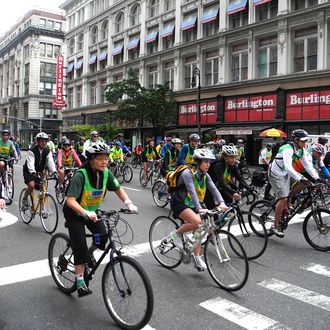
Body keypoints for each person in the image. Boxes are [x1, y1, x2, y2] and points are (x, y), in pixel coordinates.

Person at [63, 141, 138, 297]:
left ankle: (89, 254)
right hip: (74, 213)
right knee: (80, 247)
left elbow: (118, 188)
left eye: (107, 158)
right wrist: (85, 212)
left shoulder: (106, 174)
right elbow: (70, 201)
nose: (105, 161)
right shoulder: (80, 175)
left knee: (103, 237)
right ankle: (80, 281)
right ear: (91, 159)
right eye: (100, 158)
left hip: (91, 212)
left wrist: (128, 203)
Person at [169, 149, 227, 271]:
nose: (208, 164)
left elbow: (214, 189)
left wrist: (222, 203)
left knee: (202, 228)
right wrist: (200, 209)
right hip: (179, 202)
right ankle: (176, 234)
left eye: (209, 162)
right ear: (198, 162)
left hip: (194, 205)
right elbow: (192, 191)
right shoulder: (187, 173)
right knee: (197, 222)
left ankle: (196, 258)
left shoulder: (205, 175)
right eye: (205, 162)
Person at [268, 129, 320, 237]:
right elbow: (288, 167)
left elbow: (307, 166)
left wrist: (317, 178)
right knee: (283, 199)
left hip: (285, 173)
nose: (305, 143)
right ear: (296, 140)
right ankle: (275, 225)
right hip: (276, 173)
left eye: (306, 141)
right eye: (303, 141)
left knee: (298, 187)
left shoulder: (301, 150)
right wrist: (300, 178)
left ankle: (287, 204)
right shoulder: (287, 149)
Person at [22, 132, 57, 206]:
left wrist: (54, 172)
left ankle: (42, 207)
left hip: (40, 171)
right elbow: (30, 163)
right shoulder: (32, 151)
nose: (44, 143)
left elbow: (50, 162)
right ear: (37, 141)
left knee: (43, 186)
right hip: (29, 171)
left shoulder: (47, 151)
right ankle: (25, 198)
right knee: (32, 185)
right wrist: (33, 173)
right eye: (42, 141)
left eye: (45, 141)